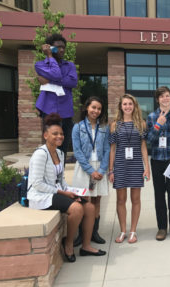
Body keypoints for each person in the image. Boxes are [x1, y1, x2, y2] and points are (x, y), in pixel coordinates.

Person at [27, 113, 106, 263]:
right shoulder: (40, 154)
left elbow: (61, 180)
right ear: (45, 135)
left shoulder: (60, 153)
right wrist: (63, 192)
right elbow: (37, 183)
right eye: (54, 134)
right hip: (42, 195)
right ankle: (68, 243)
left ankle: (86, 246)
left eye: (61, 134)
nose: (59, 136)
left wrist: (74, 191)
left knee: (88, 206)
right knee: (76, 209)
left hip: (57, 192)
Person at [109, 94, 150, 244]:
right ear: (121, 106)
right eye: (125, 104)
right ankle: (122, 231)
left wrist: (147, 168)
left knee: (136, 199)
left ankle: (133, 231)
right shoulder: (115, 125)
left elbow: (143, 147)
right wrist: (110, 170)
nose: (127, 107)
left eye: (130, 104)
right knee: (121, 200)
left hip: (136, 165)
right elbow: (112, 149)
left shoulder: (141, 124)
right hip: (120, 164)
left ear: (134, 106)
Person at [147, 86, 170, 241]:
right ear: (158, 99)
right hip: (157, 161)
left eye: (167, 96)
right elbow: (149, 140)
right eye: (161, 96)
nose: (165, 98)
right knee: (159, 196)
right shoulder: (151, 117)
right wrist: (158, 125)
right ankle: (162, 228)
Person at [71, 96, 110, 246]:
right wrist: (90, 170)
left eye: (99, 108)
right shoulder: (78, 127)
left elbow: (107, 149)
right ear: (87, 108)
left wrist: (101, 169)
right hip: (84, 167)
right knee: (84, 200)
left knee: (96, 200)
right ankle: (82, 234)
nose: (96, 111)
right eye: (93, 107)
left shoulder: (104, 128)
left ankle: (94, 232)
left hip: (99, 166)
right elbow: (77, 151)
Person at [35, 33, 78, 159]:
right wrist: (49, 56)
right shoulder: (40, 65)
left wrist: (49, 80)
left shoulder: (70, 65)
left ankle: (60, 177)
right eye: (58, 47)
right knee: (50, 148)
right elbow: (57, 74)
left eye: (63, 47)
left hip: (66, 112)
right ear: (50, 48)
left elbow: (72, 82)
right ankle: (49, 177)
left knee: (63, 149)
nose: (62, 50)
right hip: (48, 110)